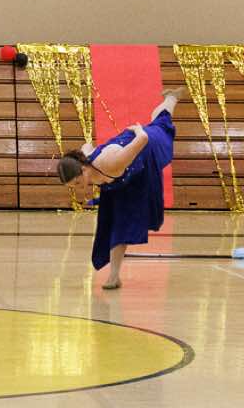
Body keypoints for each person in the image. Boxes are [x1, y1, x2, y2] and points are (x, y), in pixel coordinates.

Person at [56, 90, 179, 290]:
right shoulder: (86, 163)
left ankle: (171, 98)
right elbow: (86, 146)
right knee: (117, 225)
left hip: (144, 146)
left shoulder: (110, 163)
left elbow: (143, 139)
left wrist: (138, 130)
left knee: (161, 125)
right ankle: (114, 277)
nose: (79, 189)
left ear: (84, 170)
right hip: (120, 180)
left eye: (77, 183)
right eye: (73, 187)